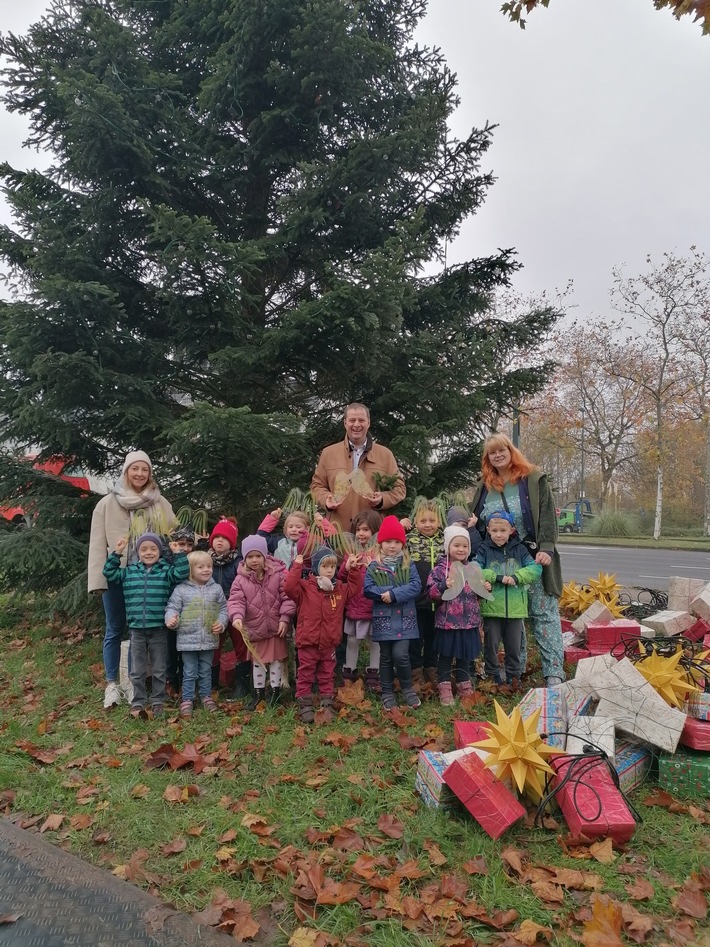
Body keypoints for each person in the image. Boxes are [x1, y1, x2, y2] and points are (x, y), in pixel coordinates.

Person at [471, 433, 565, 687]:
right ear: (487, 458)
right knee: (514, 617)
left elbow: (546, 513)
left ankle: (553, 671)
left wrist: (547, 546)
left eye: (502, 450)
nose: (498, 455)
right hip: (498, 564)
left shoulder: (531, 478)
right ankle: (516, 670)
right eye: (492, 452)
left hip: (532, 558)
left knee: (543, 613)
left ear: (511, 451)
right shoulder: (485, 486)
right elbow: (477, 523)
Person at [88, 450, 177, 710]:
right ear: (126, 471)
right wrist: (98, 580)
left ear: (150, 473)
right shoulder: (107, 503)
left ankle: (141, 682)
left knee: (151, 629)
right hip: (120, 575)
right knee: (115, 628)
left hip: (153, 578)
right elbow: (97, 544)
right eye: (135, 469)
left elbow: (174, 536)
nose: (140, 474)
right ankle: (112, 683)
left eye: (145, 469)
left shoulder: (159, 502)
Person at [102, 532, 189, 719]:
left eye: (153, 549)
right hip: (136, 630)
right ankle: (138, 701)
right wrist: (117, 553)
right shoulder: (130, 572)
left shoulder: (165, 571)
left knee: (159, 668)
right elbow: (109, 573)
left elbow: (182, 573)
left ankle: (158, 701)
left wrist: (178, 554)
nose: (148, 552)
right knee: (137, 669)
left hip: (158, 628)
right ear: (137, 552)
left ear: (159, 551)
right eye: (144, 549)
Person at [285, 546, 362, 724]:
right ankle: (304, 703)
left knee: (327, 673)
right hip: (308, 641)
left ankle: (327, 702)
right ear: (315, 568)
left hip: (329, 642)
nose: (329, 570)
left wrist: (353, 569)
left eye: (332, 567)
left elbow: (355, 588)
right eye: (324, 566)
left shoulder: (339, 589)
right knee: (305, 673)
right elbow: (289, 587)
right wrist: (296, 566)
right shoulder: (305, 588)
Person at [310, 403, 406, 531]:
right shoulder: (328, 453)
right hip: (337, 532)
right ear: (345, 423)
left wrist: (382, 499)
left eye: (361, 420)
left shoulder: (385, 454)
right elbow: (316, 486)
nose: (356, 425)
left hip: (372, 532)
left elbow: (399, 488)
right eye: (352, 420)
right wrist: (326, 501)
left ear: (368, 423)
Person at [227, 535, 296, 709]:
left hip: (275, 627)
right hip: (255, 628)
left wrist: (285, 618)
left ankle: (275, 693)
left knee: (276, 661)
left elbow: (286, 597)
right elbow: (236, 601)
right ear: (244, 558)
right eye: (250, 557)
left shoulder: (277, 575)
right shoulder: (240, 579)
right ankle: (258, 694)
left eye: (258, 556)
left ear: (265, 555)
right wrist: (237, 617)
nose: (254, 560)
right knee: (258, 662)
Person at [475, 510, 542, 686]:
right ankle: (492, 674)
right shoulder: (484, 549)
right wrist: (496, 577)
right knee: (491, 644)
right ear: (488, 530)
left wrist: (517, 577)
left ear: (511, 530)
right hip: (492, 606)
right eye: (494, 530)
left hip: (515, 608)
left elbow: (535, 569)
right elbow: (475, 568)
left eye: (502, 531)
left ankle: (514, 674)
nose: (498, 535)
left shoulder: (520, 549)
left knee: (514, 646)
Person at [364, 516, 422, 712]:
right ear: (381, 543)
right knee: (386, 657)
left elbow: (415, 586)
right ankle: (387, 691)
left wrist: (394, 594)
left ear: (402, 545)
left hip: (405, 619)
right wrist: (384, 595)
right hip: (384, 619)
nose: (392, 546)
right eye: (388, 542)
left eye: (397, 542)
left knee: (401, 655)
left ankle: (407, 688)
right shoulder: (374, 566)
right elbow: (368, 589)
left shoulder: (408, 564)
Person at [165, 551, 228, 717]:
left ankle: (206, 696)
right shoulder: (181, 590)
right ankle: (187, 698)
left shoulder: (216, 589)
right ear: (191, 570)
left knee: (206, 670)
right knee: (190, 671)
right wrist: (171, 620)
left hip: (209, 638)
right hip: (187, 640)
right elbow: (172, 608)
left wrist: (221, 623)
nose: (206, 570)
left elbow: (223, 609)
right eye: (201, 567)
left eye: (209, 566)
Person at [426, 525, 482, 705]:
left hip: (469, 622)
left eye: (464, 546)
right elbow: (431, 594)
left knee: (464, 656)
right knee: (446, 656)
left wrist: (484, 589)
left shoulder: (473, 569)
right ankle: (444, 687)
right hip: (448, 623)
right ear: (448, 547)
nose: (461, 549)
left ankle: (464, 684)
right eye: (456, 545)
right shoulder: (440, 570)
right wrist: (443, 585)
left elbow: (479, 593)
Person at [401, 498, 445, 690]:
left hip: (440, 599)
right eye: (423, 521)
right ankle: (415, 670)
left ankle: (431, 667)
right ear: (415, 522)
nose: (428, 525)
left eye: (432, 520)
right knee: (415, 636)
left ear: (440, 522)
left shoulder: (446, 540)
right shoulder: (410, 539)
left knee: (434, 637)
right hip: (417, 599)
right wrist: (400, 527)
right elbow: (387, 541)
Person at [339, 509, 382, 691]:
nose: (361, 533)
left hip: (372, 606)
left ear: (374, 531)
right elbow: (341, 577)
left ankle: (374, 672)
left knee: (375, 641)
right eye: (358, 530)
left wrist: (375, 566)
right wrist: (347, 567)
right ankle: (350, 671)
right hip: (355, 606)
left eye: (365, 529)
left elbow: (386, 577)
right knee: (352, 640)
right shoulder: (351, 553)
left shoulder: (379, 554)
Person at [207, 517, 249, 699]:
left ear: (232, 543)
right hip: (213, 609)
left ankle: (242, 685)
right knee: (213, 645)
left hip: (236, 608)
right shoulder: (205, 559)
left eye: (224, 538)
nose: (220, 541)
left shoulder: (240, 562)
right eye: (216, 537)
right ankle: (211, 685)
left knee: (241, 644)